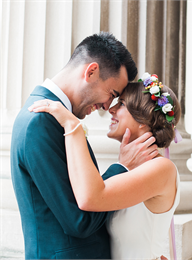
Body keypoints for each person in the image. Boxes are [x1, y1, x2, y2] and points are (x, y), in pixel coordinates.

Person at [11, 33, 159, 259]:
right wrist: (122, 167)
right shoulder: (40, 122)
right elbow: (79, 221)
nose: (107, 106)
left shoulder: (57, 117)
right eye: (112, 94)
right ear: (91, 72)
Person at [28, 72, 181, 259]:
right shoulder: (133, 168)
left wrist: (72, 125)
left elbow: (90, 198)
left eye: (122, 104)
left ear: (143, 120)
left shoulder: (161, 169)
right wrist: (123, 165)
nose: (111, 109)